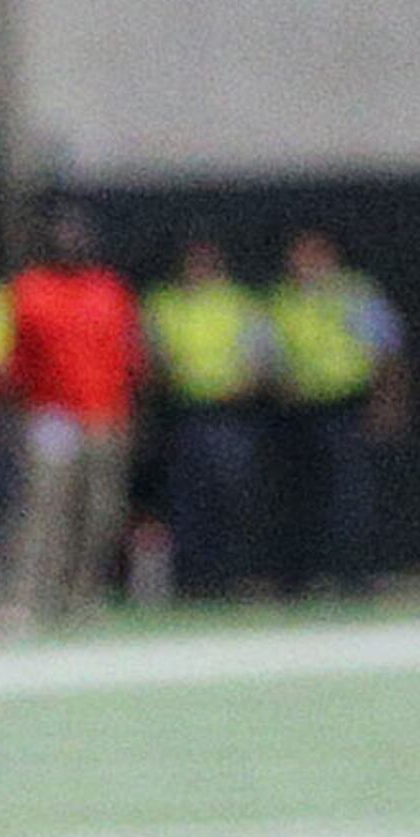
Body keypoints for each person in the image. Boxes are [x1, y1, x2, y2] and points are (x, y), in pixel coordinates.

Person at [4, 209, 144, 626]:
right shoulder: (31, 289)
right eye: (62, 236)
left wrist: (127, 414)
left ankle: (80, 599)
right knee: (42, 510)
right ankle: (27, 598)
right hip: (51, 418)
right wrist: (25, 415)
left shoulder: (111, 289)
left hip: (105, 416)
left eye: (76, 235)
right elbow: (20, 359)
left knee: (100, 512)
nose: (70, 243)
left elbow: (129, 356)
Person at [261, 231, 406, 597]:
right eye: (297, 256)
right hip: (298, 411)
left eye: (310, 255)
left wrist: (386, 402)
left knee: (351, 494)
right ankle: (303, 577)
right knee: (302, 494)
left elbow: (387, 351)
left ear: (329, 256)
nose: (302, 264)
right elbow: (267, 355)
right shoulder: (283, 299)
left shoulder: (354, 293)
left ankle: (354, 575)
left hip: (347, 406)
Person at [142, 238, 270, 600]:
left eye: (205, 263)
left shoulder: (241, 303)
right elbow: (152, 357)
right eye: (192, 263)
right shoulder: (165, 303)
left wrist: (242, 386)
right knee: (187, 501)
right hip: (184, 415)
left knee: (233, 498)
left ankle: (234, 577)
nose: (197, 270)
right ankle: (195, 580)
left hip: (230, 416)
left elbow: (259, 359)